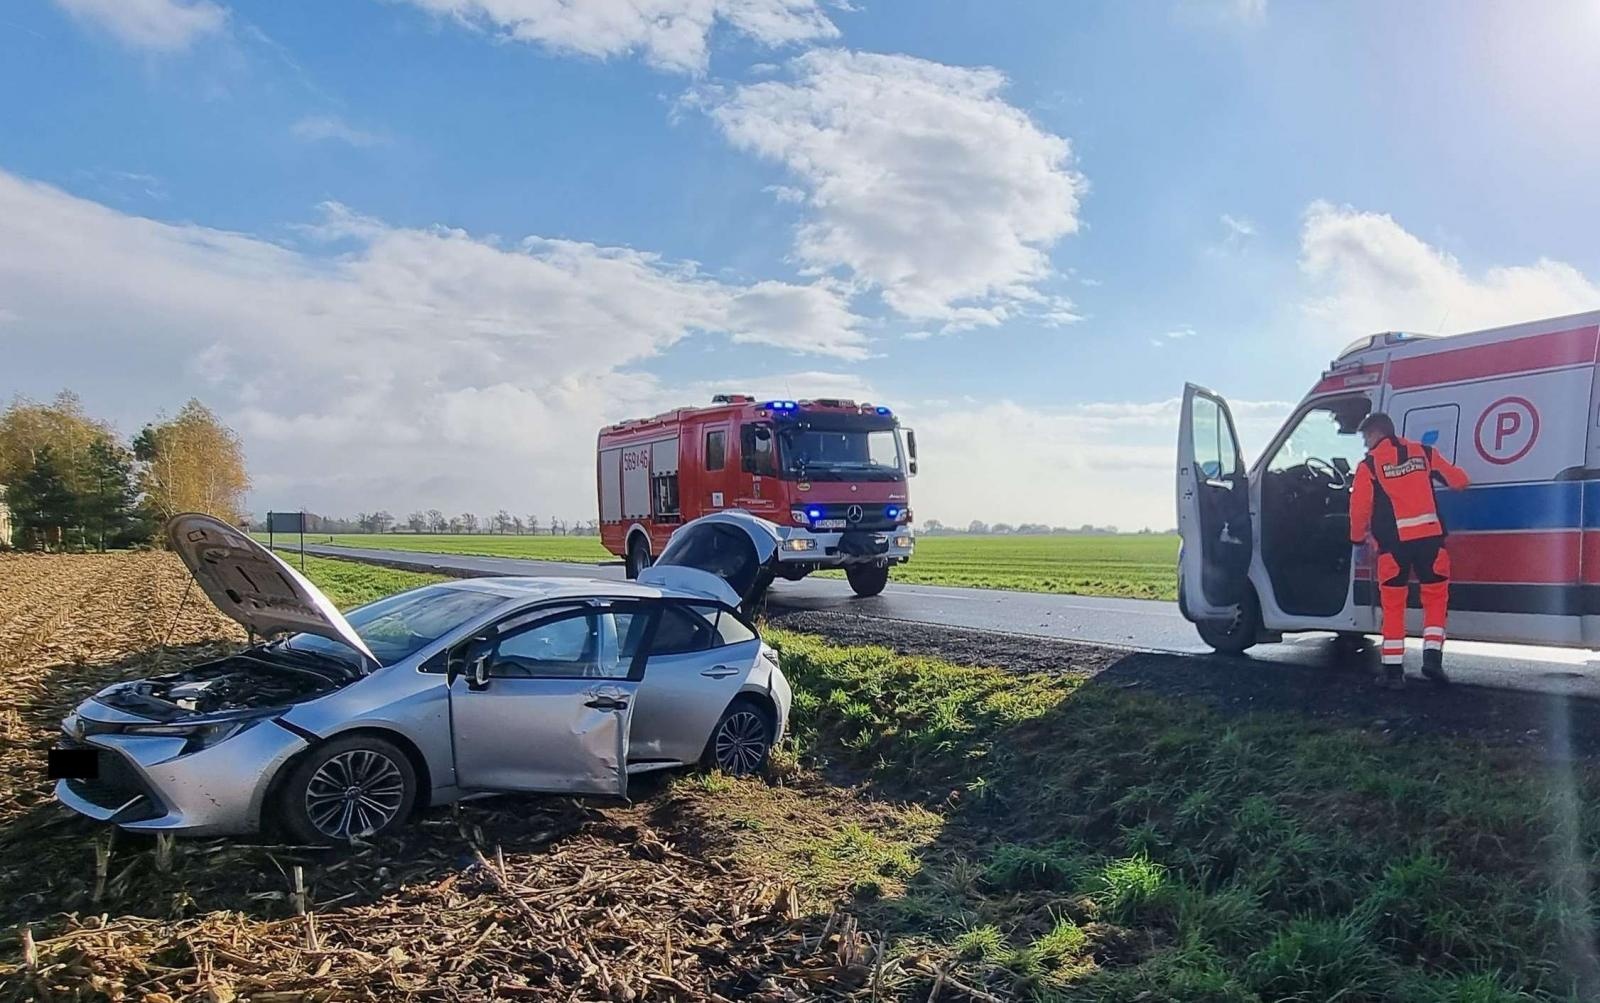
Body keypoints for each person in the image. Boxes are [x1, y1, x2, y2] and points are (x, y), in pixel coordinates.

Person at [1348, 412, 1470, 688]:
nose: (1366, 443)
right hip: (1431, 543)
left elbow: (1359, 508)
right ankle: (1432, 661)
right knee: (1436, 600)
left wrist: (1357, 539)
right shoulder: (1424, 453)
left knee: (1393, 607)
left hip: (1393, 548)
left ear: (1378, 434)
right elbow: (1460, 480)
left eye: (1367, 436)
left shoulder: (1369, 465)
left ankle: (1393, 673)